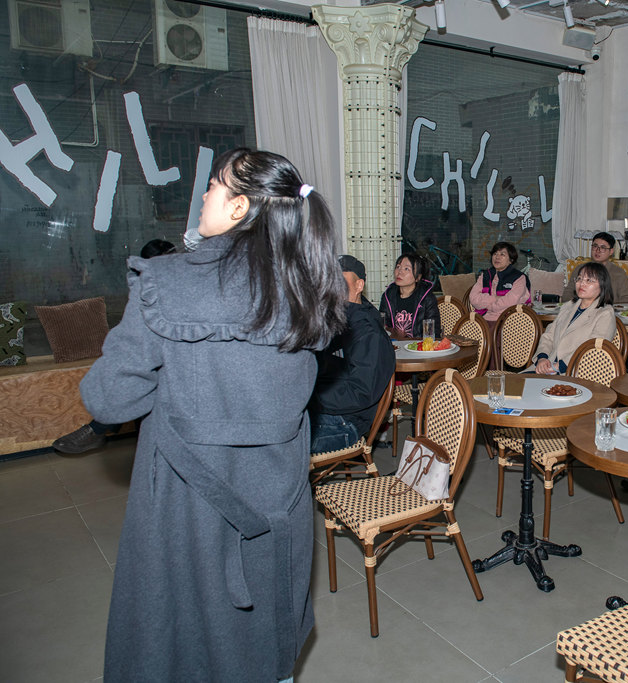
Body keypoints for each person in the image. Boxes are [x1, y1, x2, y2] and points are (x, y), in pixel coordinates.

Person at [80, 148, 346, 680]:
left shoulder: (167, 281)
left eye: (212, 187)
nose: (202, 196)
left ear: (239, 206)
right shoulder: (309, 286)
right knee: (263, 644)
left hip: (186, 505)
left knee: (179, 641)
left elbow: (108, 399)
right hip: (277, 499)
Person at [52, 238, 178, 454]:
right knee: (135, 376)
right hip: (153, 356)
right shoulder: (143, 289)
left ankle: (98, 428)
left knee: (146, 377)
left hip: (176, 358)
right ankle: (103, 427)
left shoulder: (182, 288)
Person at [309, 255, 396, 453]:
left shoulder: (368, 333)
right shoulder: (334, 321)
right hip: (324, 411)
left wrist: (310, 395)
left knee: (277, 441)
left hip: (347, 423)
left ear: (359, 285)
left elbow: (360, 392)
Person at [533, 262, 616, 374]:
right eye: (579, 278)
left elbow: (593, 350)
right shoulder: (568, 306)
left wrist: (559, 366)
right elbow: (548, 336)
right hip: (548, 365)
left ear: (602, 285)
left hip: (575, 372)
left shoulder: (605, 314)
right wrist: (542, 358)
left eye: (589, 280)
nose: (582, 283)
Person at [561, 232, 628, 304]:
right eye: (595, 246)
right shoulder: (580, 269)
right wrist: (580, 305)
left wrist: (608, 306)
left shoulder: (618, 273)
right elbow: (567, 294)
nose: (597, 251)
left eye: (603, 248)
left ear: (611, 251)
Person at [380, 252, 441, 339]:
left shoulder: (427, 298)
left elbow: (433, 332)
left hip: (419, 345)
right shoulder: (388, 296)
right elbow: (382, 325)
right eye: (398, 267)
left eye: (406, 269)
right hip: (394, 344)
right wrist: (393, 333)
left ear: (418, 277)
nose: (400, 272)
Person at [468, 241, 532, 323]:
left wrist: (488, 306)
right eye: (495, 254)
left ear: (511, 260)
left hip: (509, 321)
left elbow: (511, 303)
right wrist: (495, 298)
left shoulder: (519, 278)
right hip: (482, 319)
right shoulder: (485, 275)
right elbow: (473, 298)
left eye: (502, 254)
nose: (497, 257)